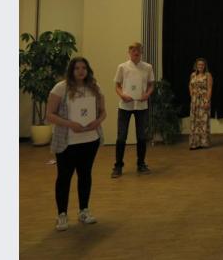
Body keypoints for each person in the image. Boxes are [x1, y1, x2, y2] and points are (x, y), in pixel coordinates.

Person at [45, 57, 106, 231]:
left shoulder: (95, 87)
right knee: (64, 178)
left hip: (89, 140)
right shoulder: (60, 88)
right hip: (67, 142)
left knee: (85, 175)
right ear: (71, 70)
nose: (80, 71)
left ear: (88, 70)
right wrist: (71, 124)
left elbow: (103, 112)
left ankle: (84, 211)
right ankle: (62, 215)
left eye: (84, 68)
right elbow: (49, 114)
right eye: (77, 68)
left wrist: (97, 122)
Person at [111, 42, 155, 178]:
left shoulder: (147, 67)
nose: (136, 52)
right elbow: (117, 85)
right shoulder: (122, 67)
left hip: (141, 106)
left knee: (142, 137)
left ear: (141, 52)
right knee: (121, 137)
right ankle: (118, 166)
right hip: (125, 106)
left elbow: (151, 84)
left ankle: (141, 164)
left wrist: (147, 94)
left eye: (138, 50)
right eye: (133, 50)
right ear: (129, 52)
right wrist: (122, 95)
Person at [188, 58, 213, 150]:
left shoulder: (208, 75)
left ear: (205, 66)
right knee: (194, 121)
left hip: (203, 99)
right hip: (194, 101)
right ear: (196, 65)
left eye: (202, 65)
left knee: (203, 121)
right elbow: (190, 85)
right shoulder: (193, 75)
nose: (200, 66)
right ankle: (194, 143)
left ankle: (204, 143)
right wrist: (191, 94)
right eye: (199, 65)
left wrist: (207, 101)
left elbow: (209, 88)